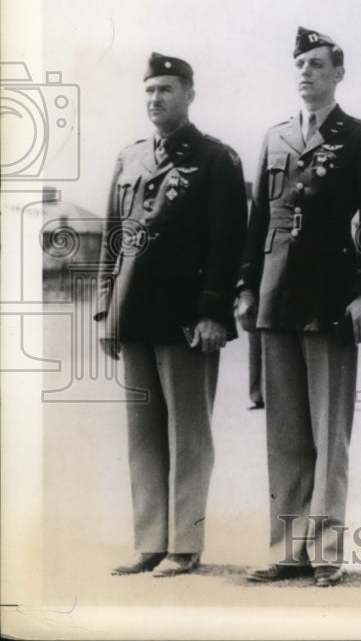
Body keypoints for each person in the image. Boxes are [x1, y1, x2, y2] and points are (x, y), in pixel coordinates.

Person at [237, 26, 361, 588]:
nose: (307, 72)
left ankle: (326, 552)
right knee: (284, 434)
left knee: (329, 433)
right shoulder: (275, 139)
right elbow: (258, 222)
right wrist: (247, 287)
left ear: (338, 74)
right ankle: (287, 549)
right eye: (300, 62)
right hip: (276, 296)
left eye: (318, 64)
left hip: (331, 296)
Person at [95, 53, 247, 578]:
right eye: (149, 90)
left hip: (187, 319)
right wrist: (104, 310)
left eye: (166, 89)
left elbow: (229, 247)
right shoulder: (129, 158)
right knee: (142, 433)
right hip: (133, 314)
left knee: (188, 433)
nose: (155, 98)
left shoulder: (215, 159)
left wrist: (213, 313)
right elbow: (113, 242)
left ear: (189, 94)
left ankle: (185, 542)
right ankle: (149, 541)